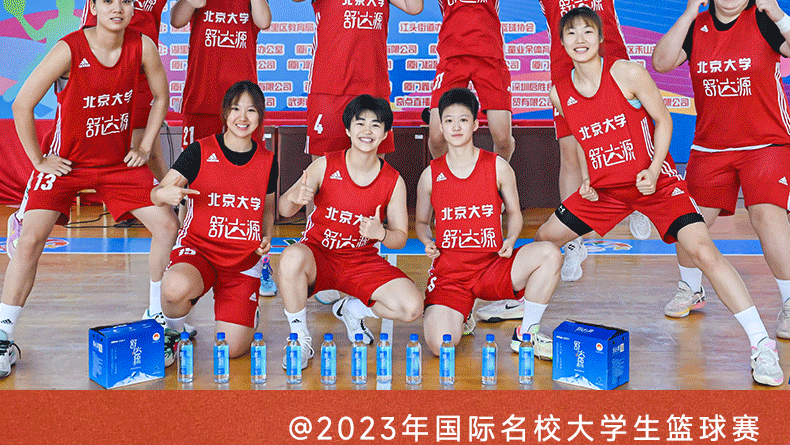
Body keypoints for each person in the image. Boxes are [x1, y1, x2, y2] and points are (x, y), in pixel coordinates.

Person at [535, 5, 784, 386]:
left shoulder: (627, 73)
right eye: (571, 33)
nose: (580, 39)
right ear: (562, 42)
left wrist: (653, 169)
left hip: (655, 183)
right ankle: (528, 327)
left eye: (587, 32)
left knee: (704, 251)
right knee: (544, 240)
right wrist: (586, 176)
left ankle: (762, 344)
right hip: (606, 190)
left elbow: (663, 120)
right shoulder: (559, 92)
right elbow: (583, 138)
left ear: (600, 38)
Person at [0, 0, 179, 378]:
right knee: (30, 240)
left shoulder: (142, 46)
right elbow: (22, 104)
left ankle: (156, 318)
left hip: (117, 165)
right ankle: (3, 335)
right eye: (109, 1)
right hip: (67, 164)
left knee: (167, 225)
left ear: (133, 9)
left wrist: (144, 146)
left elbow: (161, 96)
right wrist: (39, 160)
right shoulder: (69, 48)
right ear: (93, 7)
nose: (118, 8)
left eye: (126, 1)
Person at [513, 0, 656, 283]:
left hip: (612, 62)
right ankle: (574, 240)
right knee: (572, 153)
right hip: (566, 69)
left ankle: (640, 201)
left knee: (631, 137)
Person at [651, 0, 790, 340]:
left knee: (767, 216)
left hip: (766, 142)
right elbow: (661, 63)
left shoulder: (763, 21)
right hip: (711, 148)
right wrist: (687, 15)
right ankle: (691, 288)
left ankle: (789, 302)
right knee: (688, 220)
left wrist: (780, 16)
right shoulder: (697, 26)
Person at [39, 0, 206, 183]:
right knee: (80, 134)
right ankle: (50, 185)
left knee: (145, 147)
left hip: (137, 62)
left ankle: (167, 199)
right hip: (95, 56)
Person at [277, 95, 422, 369]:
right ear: (348, 129)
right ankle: (299, 338)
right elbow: (284, 209)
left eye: (376, 125)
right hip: (319, 255)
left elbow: (400, 237)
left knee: (411, 307)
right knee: (291, 257)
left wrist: (381, 233)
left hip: (360, 261)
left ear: (385, 134)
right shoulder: (324, 165)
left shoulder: (393, 181)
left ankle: (352, 309)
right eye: (360, 123)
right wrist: (294, 198)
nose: (367, 130)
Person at [415, 87, 561, 358]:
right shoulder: (430, 175)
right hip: (451, 276)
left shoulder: (497, 166)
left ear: (475, 124)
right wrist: (426, 240)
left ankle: (526, 333)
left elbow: (514, 214)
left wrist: (511, 238)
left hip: (492, 266)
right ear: (441, 127)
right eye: (449, 121)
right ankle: (462, 313)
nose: (456, 127)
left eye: (463, 120)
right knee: (440, 345)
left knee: (550, 254)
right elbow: (422, 222)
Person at [169, 0, 275, 297]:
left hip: (243, 110)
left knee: (249, 187)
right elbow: (177, 19)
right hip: (201, 100)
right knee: (189, 184)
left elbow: (264, 21)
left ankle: (259, 261)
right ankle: (183, 253)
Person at [151, 81, 277, 363]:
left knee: (231, 350)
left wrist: (267, 234)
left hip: (243, 260)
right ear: (225, 113)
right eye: (235, 109)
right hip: (199, 250)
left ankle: (247, 313)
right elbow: (157, 193)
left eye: (251, 110)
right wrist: (163, 194)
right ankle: (174, 332)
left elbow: (267, 208)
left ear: (260, 116)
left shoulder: (268, 160)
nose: (242, 117)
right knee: (174, 287)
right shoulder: (199, 151)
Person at [288, 0, 423, 159]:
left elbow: (414, 6)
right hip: (330, 89)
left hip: (373, 89)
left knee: (373, 166)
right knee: (323, 167)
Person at [419, 0, 516, 161]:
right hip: (453, 54)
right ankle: (445, 182)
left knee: (502, 138)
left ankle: (498, 182)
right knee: (437, 136)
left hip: (489, 53)